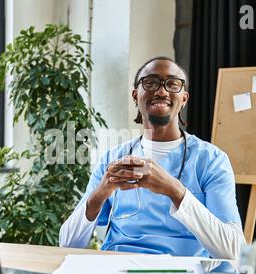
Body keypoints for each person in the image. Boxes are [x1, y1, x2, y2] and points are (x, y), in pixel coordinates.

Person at [59, 56, 245, 259]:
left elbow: (234, 250)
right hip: (117, 273)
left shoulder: (211, 161)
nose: (161, 91)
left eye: (172, 84)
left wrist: (175, 191)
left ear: (184, 98)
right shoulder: (113, 159)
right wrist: (101, 192)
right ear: (135, 95)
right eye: (150, 82)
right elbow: (68, 243)